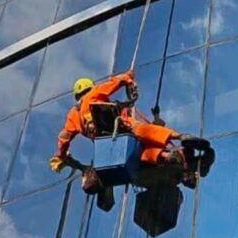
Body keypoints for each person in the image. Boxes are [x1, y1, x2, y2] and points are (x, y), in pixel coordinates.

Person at [48, 71, 184, 172]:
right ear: (90, 87)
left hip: (105, 143)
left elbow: (64, 137)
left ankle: (166, 156)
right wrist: (128, 76)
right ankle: (178, 137)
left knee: (138, 153)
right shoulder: (94, 93)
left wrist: (61, 154)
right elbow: (114, 83)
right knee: (142, 132)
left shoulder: (73, 114)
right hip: (119, 128)